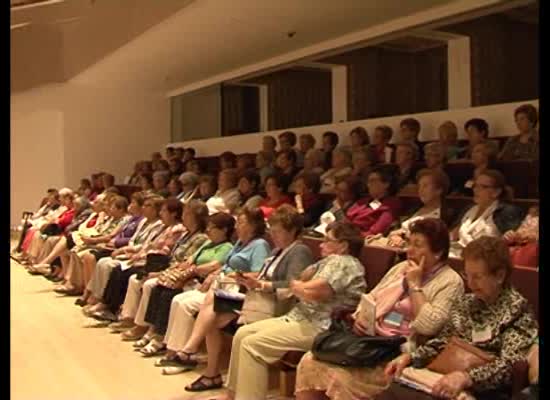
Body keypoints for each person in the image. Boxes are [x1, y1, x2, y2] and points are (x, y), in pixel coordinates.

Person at [296, 218, 465, 400]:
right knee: (309, 360)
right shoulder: (400, 268)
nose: (409, 250)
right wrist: (360, 317)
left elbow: (428, 327)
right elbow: (369, 298)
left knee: (341, 377)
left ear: (438, 252)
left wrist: (415, 285)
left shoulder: (450, 281)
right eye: (409, 243)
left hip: (399, 351)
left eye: (418, 245)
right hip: (370, 340)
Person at [218, 221, 367, 400]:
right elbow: (302, 280)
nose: (321, 244)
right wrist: (299, 284)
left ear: (343, 246)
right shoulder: (324, 261)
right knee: (242, 333)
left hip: (322, 327)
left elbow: (311, 291)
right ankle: (232, 396)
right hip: (298, 316)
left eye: (327, 240)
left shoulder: (343, 262)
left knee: (251, 344)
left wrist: (297, 285)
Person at [379, 236, 538, 400]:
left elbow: (510, 366)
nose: (470, 283)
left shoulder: (517, 310)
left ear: (499, 276)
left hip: (482, 388)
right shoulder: (466, 302)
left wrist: (467, 377)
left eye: (477, 277)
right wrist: (411, 357)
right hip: (444, 376)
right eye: (467, 275)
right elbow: (442, 342)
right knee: (390, 392)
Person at [182, 205, 315, 390]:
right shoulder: (279, 250)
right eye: (272, 230)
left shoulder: (299, 251)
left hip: (276, 305)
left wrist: (261, 285)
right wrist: (246, 278)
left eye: (277, 231)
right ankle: (210, 372)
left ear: (292, 231)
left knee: (212, 309)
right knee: (212, 315)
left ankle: (194, 353)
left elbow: (294, 286)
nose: (273, 235)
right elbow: (262, 275)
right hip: (257, 299)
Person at [158, 208, 271, 373]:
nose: (237, 226)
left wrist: (235, 275)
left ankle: (185, 352)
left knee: (187, 305)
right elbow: (225, 265)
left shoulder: (260, 245)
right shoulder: (240, 243)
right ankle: (175, 351)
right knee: (178, 300)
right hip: (220, 286)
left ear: (253, 225)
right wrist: (214, 275)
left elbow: (259, 273)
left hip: (240, 292)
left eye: (241, 222)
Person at [108, 200, 211, 347]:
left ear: (196, 217)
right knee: (137, 279)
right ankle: (139, 323)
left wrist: (160, 273)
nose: (183, 216)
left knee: (151, 285)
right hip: (168, 269)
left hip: (181, 275)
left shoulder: (200, 238)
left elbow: (186, 263)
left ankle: (153, 330)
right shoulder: (186, 234)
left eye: (187, 213)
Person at [89, 198, 185, 320]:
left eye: (164, 211)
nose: (161, 213)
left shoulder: (177, 229)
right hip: (143, 256)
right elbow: (146, 245)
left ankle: (114, 310)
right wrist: (132, 252)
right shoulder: (164, 227)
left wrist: (138, 255)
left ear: (174, 213)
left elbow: (163, 252)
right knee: (117, 269)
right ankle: (107, 305)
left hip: (155, 262)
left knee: (123, 272)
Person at [81, 196, 165, 310]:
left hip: (139, 255)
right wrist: (127, 249)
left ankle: (107, 304)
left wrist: (128, 250)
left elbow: (146, 244)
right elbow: (133, 239)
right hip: (130, 251)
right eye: (144, 205)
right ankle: (96, 296)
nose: (143, 208)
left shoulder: (158, 225)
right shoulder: (144, 221)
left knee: (111, 266)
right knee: (102, 262)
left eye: (148, 205)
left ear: (156, 210)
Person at [450, 170, 524, 258]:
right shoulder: (469, 209)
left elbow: (514, 242)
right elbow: (452, 234)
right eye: (475, 186)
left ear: (496, 192)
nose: (476, 190)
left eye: (483, 187)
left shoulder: (506, 211)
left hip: (485, 260)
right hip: (457, 254)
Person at [374, 169, 452, 249]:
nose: (420, 190)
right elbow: (394, 228)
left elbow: (433, 242)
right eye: (419, 186)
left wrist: (403, 238)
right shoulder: (414, 208)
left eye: (425, 186)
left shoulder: (446, 215)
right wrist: (394, 235)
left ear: (439, 190)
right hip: (393, 246)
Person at [346, 165, 401, 238]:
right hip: (347, 233)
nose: (368, 185)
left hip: (361, 239)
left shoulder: (391, 203)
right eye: (368, 181)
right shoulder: (363, 201)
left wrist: (354, 237)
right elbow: (346, 219)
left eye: (372, 181)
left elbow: (377, 230)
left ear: (386, 184)